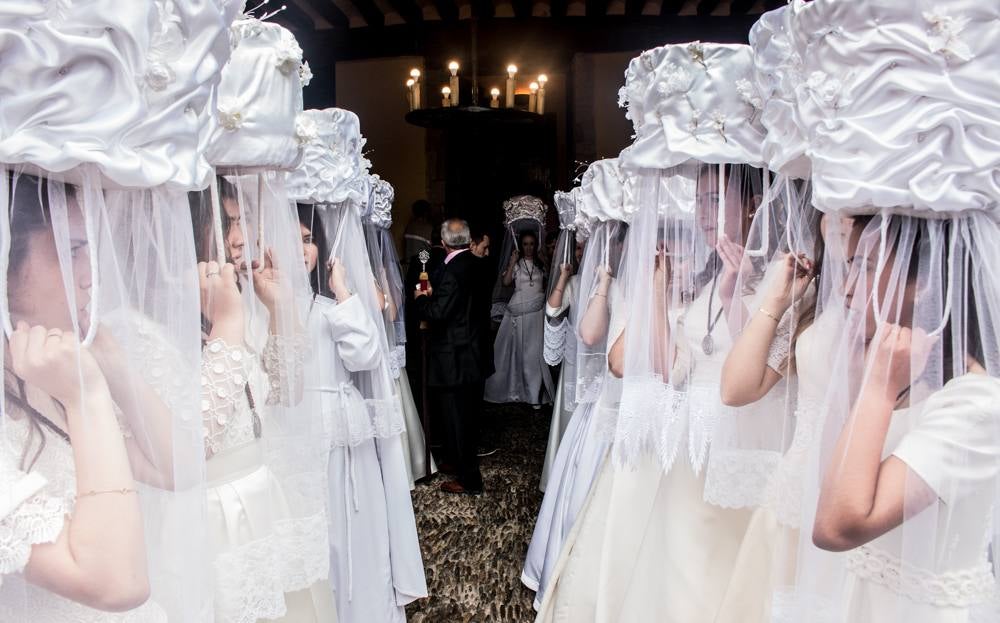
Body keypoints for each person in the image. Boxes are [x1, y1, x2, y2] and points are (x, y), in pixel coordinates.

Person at [414, 219, 487, 494]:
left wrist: (422, 298)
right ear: (468, 241)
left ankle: (469, 481)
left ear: (443, 244)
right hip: (473, 352)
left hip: (455, 356)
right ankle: (458, 462)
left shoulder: (453, 270)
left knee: (458, 420)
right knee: (465, 418)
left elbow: (439, 313)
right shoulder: (478, 264)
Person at [484, 229, 555, 407]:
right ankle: (518, 390)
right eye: (525, 244)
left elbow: (550, 283)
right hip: (519, 315)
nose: (529, 247)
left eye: (532, 244)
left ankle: (534, 395)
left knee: (534, 354)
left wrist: (545, 260)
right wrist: (512, 262)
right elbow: (506, 282)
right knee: (519, 354)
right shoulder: (517, 264)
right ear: (520, 245)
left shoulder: (540, 265)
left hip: (536, 314)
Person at [403, 199, 433, 267]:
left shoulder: (409, 226)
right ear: (426, 213)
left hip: (409, 264)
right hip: (423, 264)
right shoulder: (428, 228)